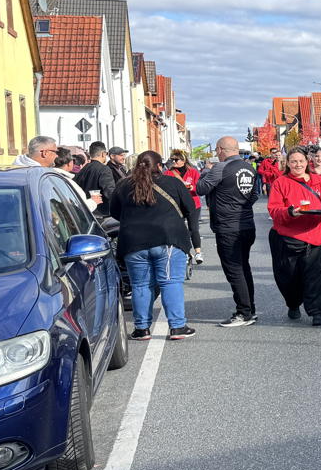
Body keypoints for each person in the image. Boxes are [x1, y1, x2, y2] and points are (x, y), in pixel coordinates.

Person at [109, 150, 196, 340]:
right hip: (168, 239)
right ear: (158, 166)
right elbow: (190, 208)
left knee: (140, 285)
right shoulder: (172, 182)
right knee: (170, 281)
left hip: (133, 242)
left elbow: (114, 212)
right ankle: (177, 326)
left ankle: (142, 329)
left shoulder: (124, 185)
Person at [267, 147, 321, 325]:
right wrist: (291, 212)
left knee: (316, 276)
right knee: (288, 277)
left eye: (301, 161)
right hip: (288, 238)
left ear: (307, 163)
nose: (298, 164)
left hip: (316, 236)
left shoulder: (318, 181)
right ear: (288, 164)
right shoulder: (281, 183)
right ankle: (293, 303)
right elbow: (274, 210)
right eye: (294, 162)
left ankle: (318, 312)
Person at [197, 136, 261, 327]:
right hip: (247, 224)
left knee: (234, 270)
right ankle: (251, 309)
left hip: (228, 226)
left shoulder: (219, 168)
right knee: (244, 267)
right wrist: (241, 206)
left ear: (220, 150)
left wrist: (205, 172)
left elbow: (201, 188)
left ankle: (243, 313)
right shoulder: (249, 167)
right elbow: (255, 194)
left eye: (217, 151)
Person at [166, 150, 204, 264]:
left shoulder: (193, 172)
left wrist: (192, 188)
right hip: (177, 205)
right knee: (179, 229)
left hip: (193, 204)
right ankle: (186, 252)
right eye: (172, 160)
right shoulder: (168, 173)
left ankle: (198, 252)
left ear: (183, 160)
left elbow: (200, 188)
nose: (173, 162)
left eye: (176, 160)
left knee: (193, 228)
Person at [77, 141, 119, 218]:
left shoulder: (84, 169)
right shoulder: (104, 169)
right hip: (101, 214)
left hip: (85, 211)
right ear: (103, 154)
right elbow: (109, 191)